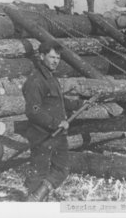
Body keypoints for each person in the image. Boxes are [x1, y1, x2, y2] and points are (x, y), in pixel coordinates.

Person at [22, 40, 83, 201]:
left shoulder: (51, 78)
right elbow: (33, 111)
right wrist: (56, 123)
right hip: (42, 135)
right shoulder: (35, 81)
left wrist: (80, 104)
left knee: (62, 169)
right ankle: (31, 204)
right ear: (42, 57)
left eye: (58, 58)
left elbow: (58, 101)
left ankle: (37, 197)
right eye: (52, 57)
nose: (56, 61)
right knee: (38, 173)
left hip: (58, 135)